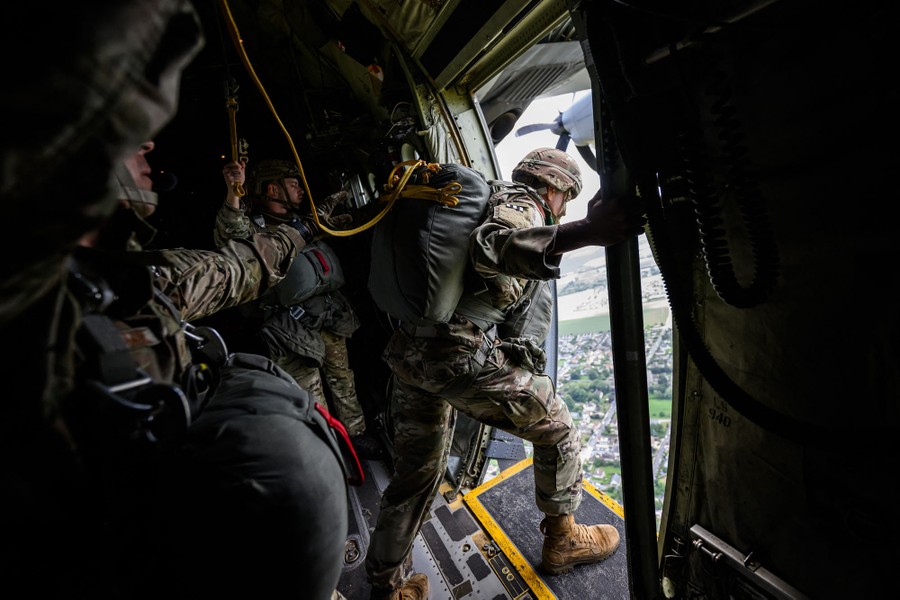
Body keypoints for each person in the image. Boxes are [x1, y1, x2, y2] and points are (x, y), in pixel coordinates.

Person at [1, 4, 353, 598]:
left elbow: (226, 271)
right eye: (119, 131)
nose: (146, 144)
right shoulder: (32, 300)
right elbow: (232, 258)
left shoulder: (120, 278)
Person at [364, 148, 646, 599]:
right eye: (565, 199)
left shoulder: (488, 198)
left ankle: (385, 584)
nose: (562, 208)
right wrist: (587, 231)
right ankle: (563, 540)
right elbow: (493, 247)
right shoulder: (522, 203)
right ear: (553, 188)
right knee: (559, 431)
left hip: (411, 352)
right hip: (456, 353)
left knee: (415, 473)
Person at [215, 158, 382, 457]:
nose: (301, 191)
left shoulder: (304, 223)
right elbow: (230, 235)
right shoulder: (254, 229)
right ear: (272, 188)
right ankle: (324, 450)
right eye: (294, 185)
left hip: (328, 314)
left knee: (342, 378)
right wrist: (233, 191)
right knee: (308, 392)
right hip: (289, 326)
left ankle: (355, 437)